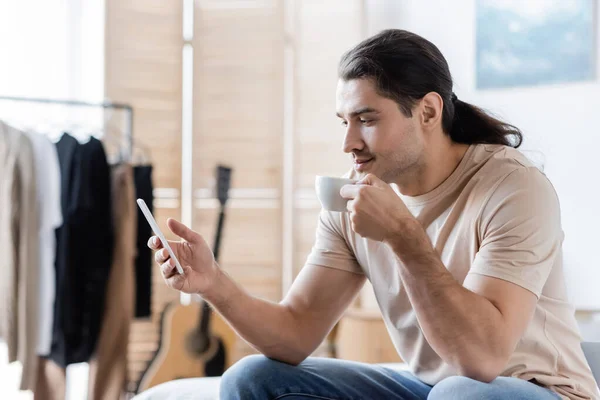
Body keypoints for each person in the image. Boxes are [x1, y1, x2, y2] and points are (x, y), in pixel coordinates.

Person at [149, 29, 598, 399]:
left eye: (367, 119)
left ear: (428, 110)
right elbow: (296, 331)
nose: (349, 143)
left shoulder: (512, 187)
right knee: (252, 379)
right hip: (431, 388)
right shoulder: (351, 199)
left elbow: (482, 361)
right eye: (343, 121)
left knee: (461, 393)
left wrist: (404, 237)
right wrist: (213, 284)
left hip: (535, 390)